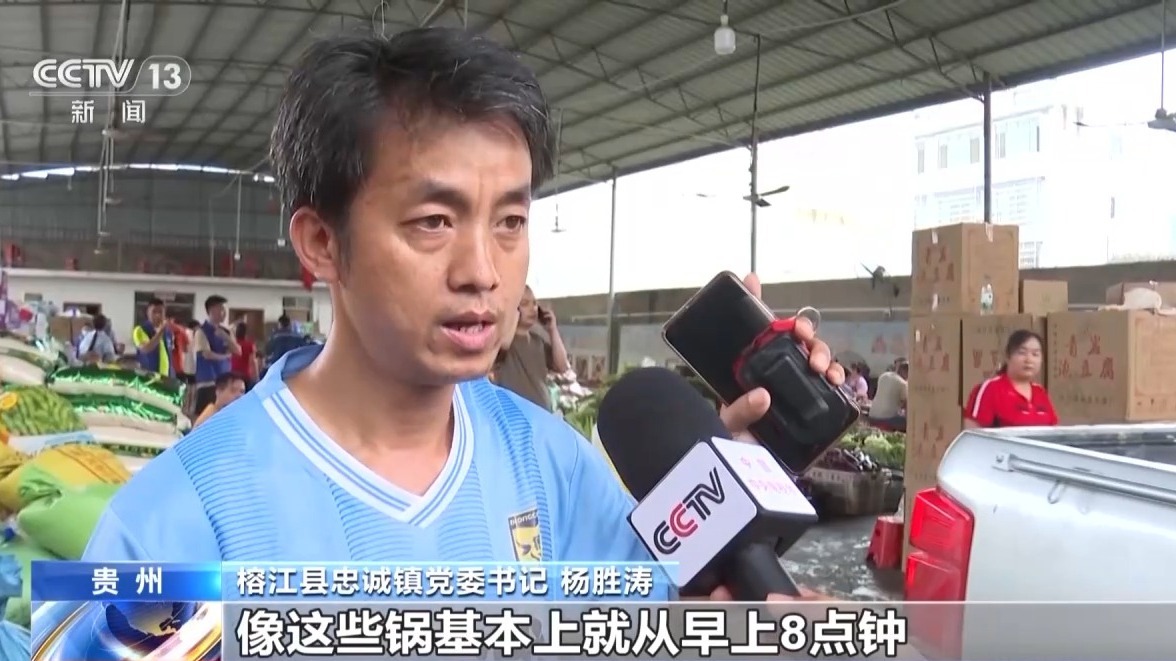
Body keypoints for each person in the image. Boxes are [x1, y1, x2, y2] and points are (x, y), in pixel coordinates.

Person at [82, 29, 842, 604]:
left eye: (509, 222)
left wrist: (732, 490)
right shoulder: (178, 522)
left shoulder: (554, 468)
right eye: (433, 222)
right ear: (322, 243)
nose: (483, 270)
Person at [494, 285, 570, 409]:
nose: (533, 309)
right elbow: (501, 350)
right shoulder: (505, 340)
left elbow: (562, 365)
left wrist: (552, 330)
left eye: (534, 304)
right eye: (525, 304)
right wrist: (512, 317)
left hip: (541, 412)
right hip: (515, 412)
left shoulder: (538, 342)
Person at [965, 329, 1058, 428]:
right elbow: (973, 432)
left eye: (1035, 354)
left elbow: (1054, 430)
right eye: (1022, 353)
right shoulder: (991, 388)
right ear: (1008, 356)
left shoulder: (1040, 392)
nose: (1029, 360)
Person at [191, 295, 240, 416]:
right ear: (212, 310)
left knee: (223, 417)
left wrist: (226, 337)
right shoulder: (201, 331)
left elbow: (238, 351)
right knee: (205, 417)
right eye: (221, 309)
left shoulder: (226, 332)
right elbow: (206, 354)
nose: (224, 313)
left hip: (225, 382)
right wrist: (225, 357)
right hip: (208, 382)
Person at [131, 298, 175, 377]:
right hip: (148, 376)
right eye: (154, 312)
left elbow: (169, 355)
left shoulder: (168, 332)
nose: (157, 315)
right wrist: (160, 332)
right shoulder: (140, 330)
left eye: (160, 312)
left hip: (167, 377)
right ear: (148, 313)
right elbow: (145, 349)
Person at [869, 360, 908, 431]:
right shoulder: (903, 383)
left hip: (872, 416)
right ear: (906, 372)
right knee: (910, 423)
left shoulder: (883, 375)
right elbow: (906, 405)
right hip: (887, 419)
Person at [230, 322, 259, 387]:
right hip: (244, 374)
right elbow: (252, 362)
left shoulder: (232, 345)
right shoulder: (249, 345)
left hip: (232, 374)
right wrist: (256, 377)